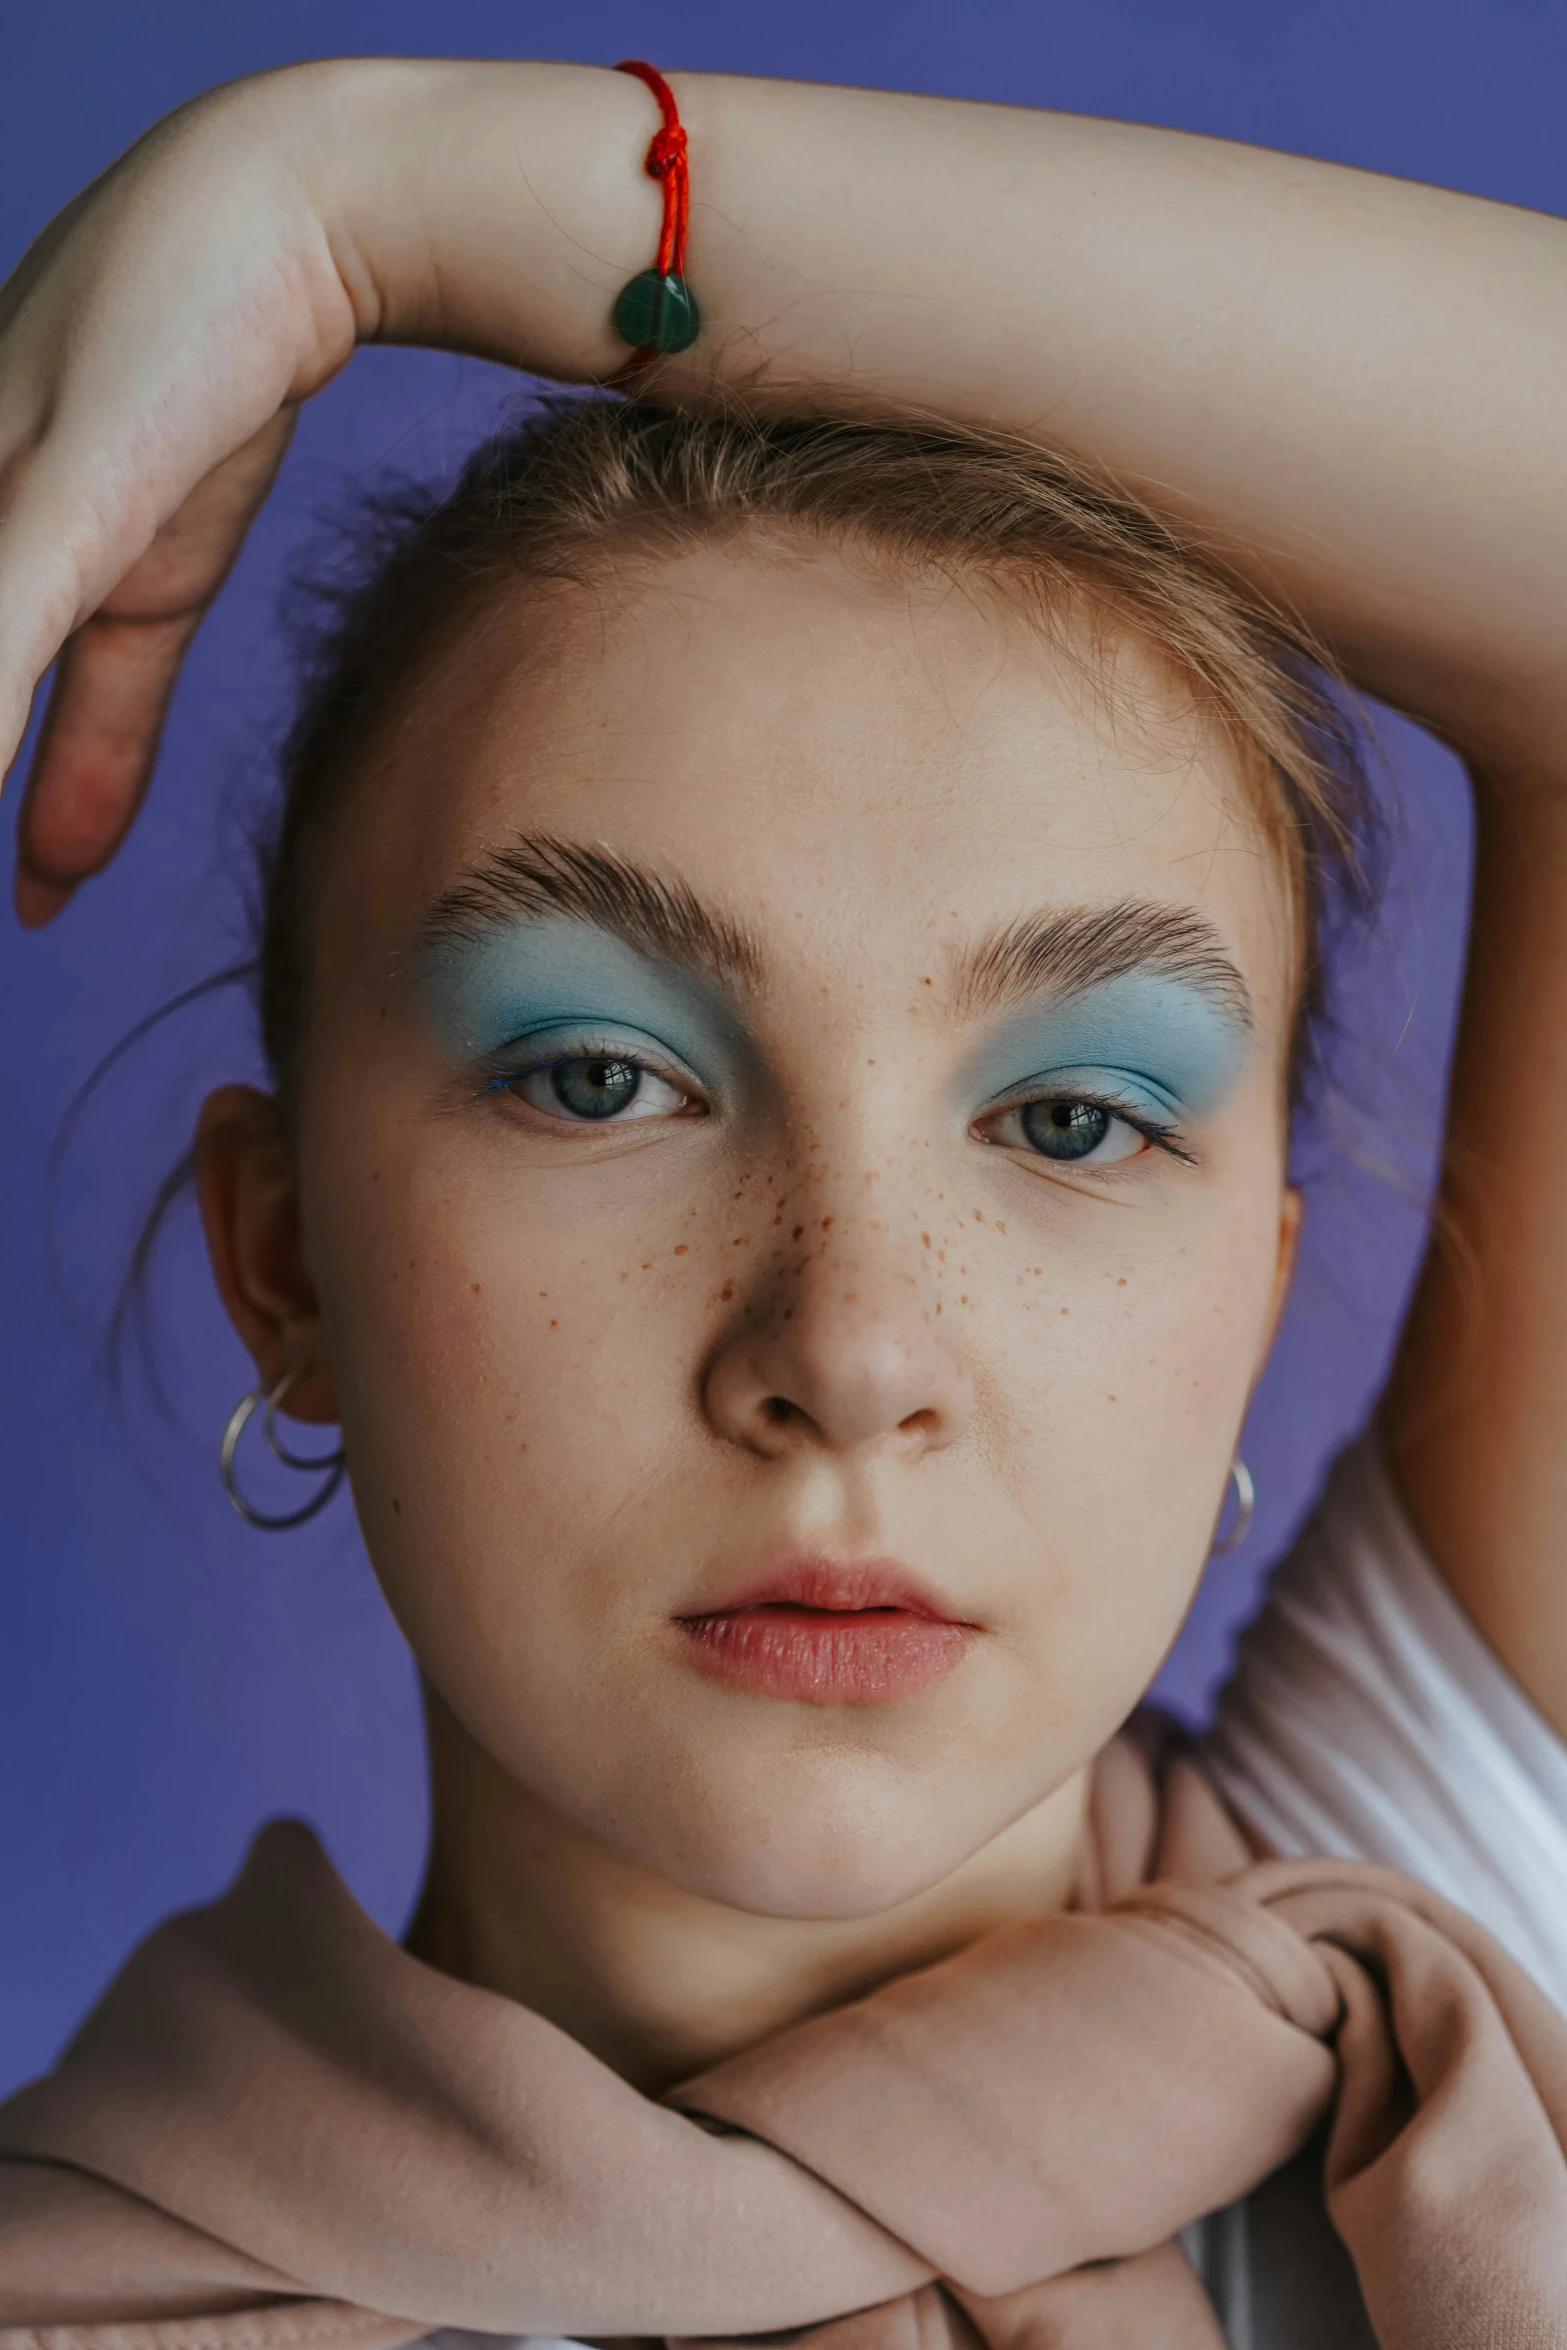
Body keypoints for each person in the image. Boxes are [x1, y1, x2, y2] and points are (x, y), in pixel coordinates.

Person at [1, 55, 1566, 2350]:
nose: (851, 1346)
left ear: (1259, 1286)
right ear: (283, 1254)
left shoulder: (1439, 2010)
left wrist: (379, 191)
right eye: (603, 1071)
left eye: (1070, 1118)